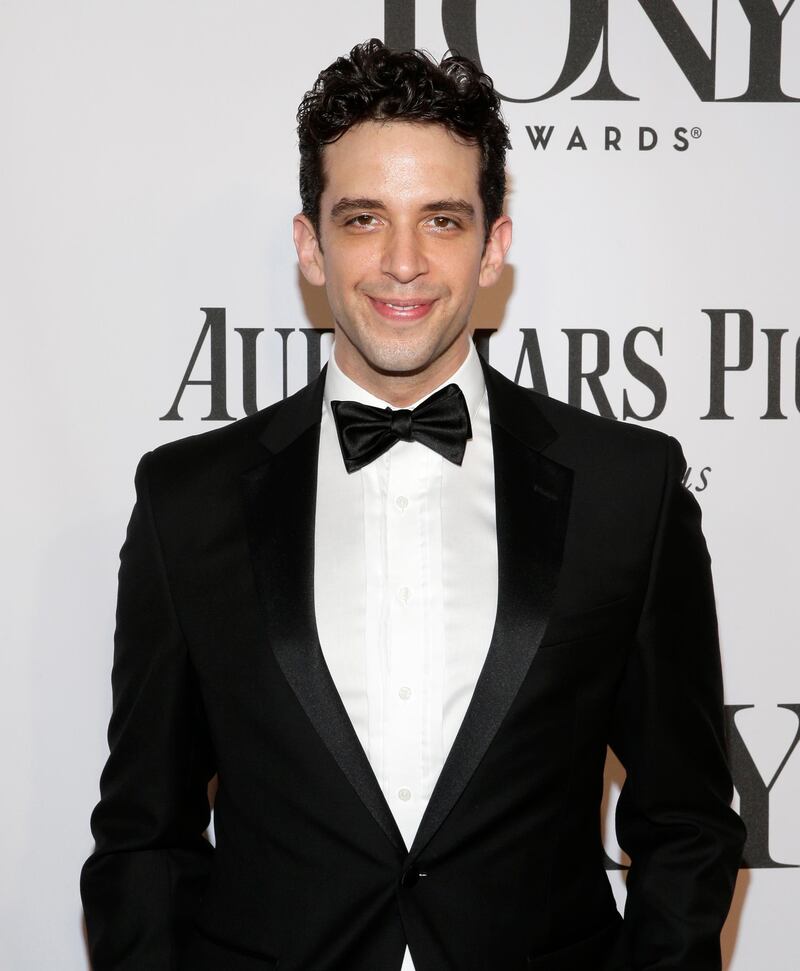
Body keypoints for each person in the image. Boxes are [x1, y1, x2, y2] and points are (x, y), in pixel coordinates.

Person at [81, 38, 745, 971]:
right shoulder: (186, 499)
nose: (402, 263)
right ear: (311, 246)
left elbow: (686, 822)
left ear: (493, 245)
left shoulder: (626, 490)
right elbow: (143, 839)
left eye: (441, 220)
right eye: (362, 218)